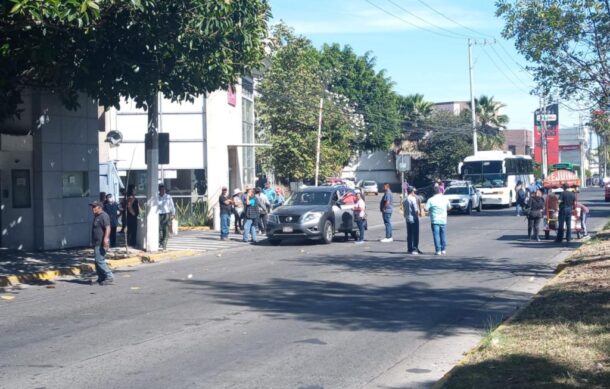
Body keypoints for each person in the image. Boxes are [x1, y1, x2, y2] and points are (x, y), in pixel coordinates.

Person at [90, 201, 114, 285]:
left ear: (100, 207)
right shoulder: (97, 216)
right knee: (97, 261)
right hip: (96, 242)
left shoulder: (104, 216)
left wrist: (106, 240)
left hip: (101, 242)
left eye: (94, 207)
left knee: (99, 260)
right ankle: (101, 277)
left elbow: (108, 228)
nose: (92, 208)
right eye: (92, 206)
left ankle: (109, 276)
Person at [425, 185, 451, 255]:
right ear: (439, 191)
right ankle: (443, 249)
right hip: (443, 219)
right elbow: (449, 207)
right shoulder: (445, 198)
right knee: (443, 235)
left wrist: (431, 210)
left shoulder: (430, 200)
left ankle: (438, 250)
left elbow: (426, 209)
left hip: (435, 220)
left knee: (436, 235)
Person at [403, 186, 422, 254]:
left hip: (407, 218)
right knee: (415, 234)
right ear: (412, 191)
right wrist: (419, 214)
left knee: (409, 234)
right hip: (414, 218)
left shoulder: (404, 199)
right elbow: (415, 209)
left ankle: (409, 248)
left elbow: (404, 209)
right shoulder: (412, 199)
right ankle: (415, 248)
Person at [157, 184, 175, 250]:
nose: (162, 191)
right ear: (159, 190)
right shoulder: (157, 197)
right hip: (159, 214)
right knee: (159, 228)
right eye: (161, 189)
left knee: (165, 229)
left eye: (164, 189)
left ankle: (164, 243)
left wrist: (173, 214)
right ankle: (160, 241)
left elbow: (172, 206)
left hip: (166, 214)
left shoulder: (168, 197)